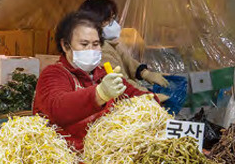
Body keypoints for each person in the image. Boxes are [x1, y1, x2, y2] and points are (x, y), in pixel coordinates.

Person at [33, 12, 150, 150]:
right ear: (65, 45)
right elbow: (58, 109)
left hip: (104, 154)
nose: (91, 50)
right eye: (84, 44)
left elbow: (135, 94)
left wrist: (151, 101)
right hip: (65, 157)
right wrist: (99, 94)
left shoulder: (104, 73)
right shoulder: (53, 74)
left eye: (95, 44)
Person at [78, 0, 170, 90]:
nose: (114, 24)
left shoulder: (109, 43)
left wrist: (144, 73)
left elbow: (126, 59)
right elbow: (119, 83)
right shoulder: (99, 49)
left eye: (113, 19)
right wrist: (147, 94)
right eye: (108, 20)